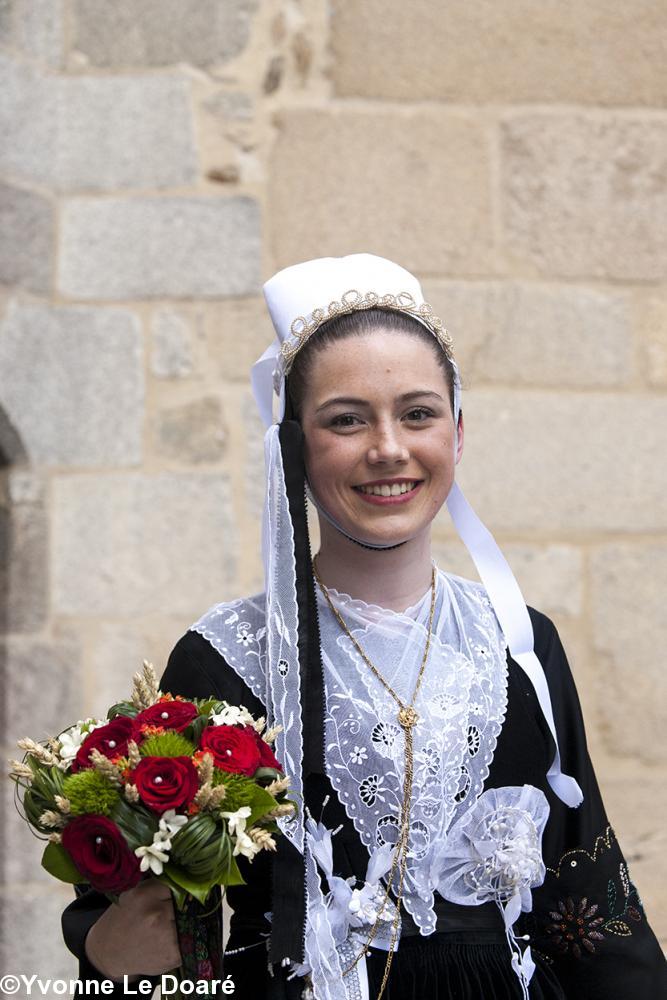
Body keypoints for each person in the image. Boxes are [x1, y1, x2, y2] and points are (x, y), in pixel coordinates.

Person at [63, 254, 666, 999]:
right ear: (292, 447)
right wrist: (120, 947)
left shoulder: (520, 640)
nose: (388, 447)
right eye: (346, 420)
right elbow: (164, 927)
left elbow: (587, 897)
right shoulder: (225, 661)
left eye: (417, 413)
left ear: (457, 432)